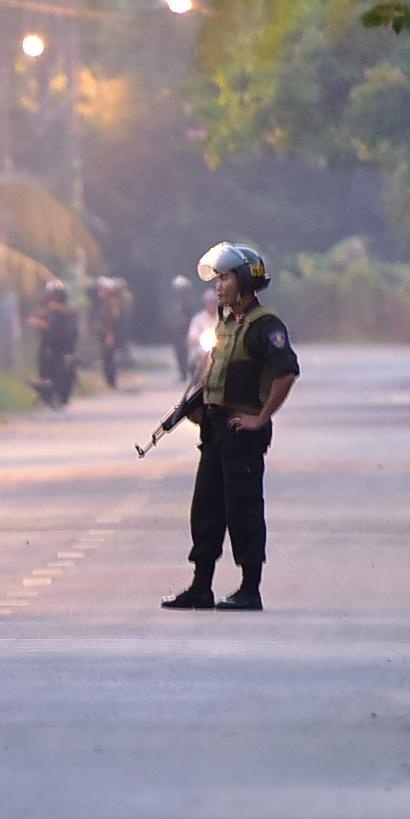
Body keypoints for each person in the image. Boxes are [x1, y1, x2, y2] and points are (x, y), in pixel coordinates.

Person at [153, 242, 299, 610]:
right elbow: (211, 374)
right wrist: (198, 408)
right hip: (214, 432)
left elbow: (286, 372)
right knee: (206, 508)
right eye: (217, 278)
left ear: (246, 280)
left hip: (242, 433)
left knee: (243, 508)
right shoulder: (225, 323)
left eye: (226, 277)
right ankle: (201, 586)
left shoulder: (265, 326)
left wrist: (262, 417)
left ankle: (250, 588)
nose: (219, 285)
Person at [29, 280, 81, 410]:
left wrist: (42, 325)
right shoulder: (68, 311)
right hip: (57, 348)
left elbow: (49, 327)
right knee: (50, 372)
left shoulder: (56, 311)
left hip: (56, 348)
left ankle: (54, 395)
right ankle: (52, 395)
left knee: (56, 372)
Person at [95, 275, 133, 390]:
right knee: (107, 358)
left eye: (102, 290)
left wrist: (110, 335)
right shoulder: (107, 303)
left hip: (109, 335)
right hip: (107, 334)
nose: (100, 292)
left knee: (109, 358)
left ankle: (111, 382)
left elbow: (113, 320)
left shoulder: (112, 304)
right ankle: (109, 381)